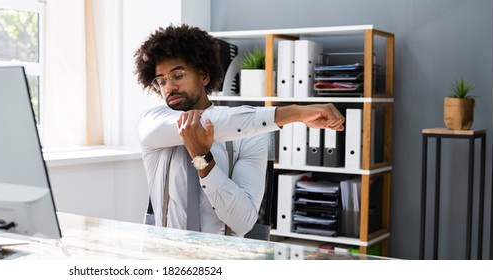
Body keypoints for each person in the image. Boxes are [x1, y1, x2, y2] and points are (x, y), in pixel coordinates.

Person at [134, 24, 345, 237]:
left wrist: (203, 161)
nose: (168, 88)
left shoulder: (253, 136)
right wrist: (295, 113)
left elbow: (243, 222)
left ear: (204, 75)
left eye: (177, 76)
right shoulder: (152, 123)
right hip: (166, 257)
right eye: (161, 81)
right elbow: (208, 121)